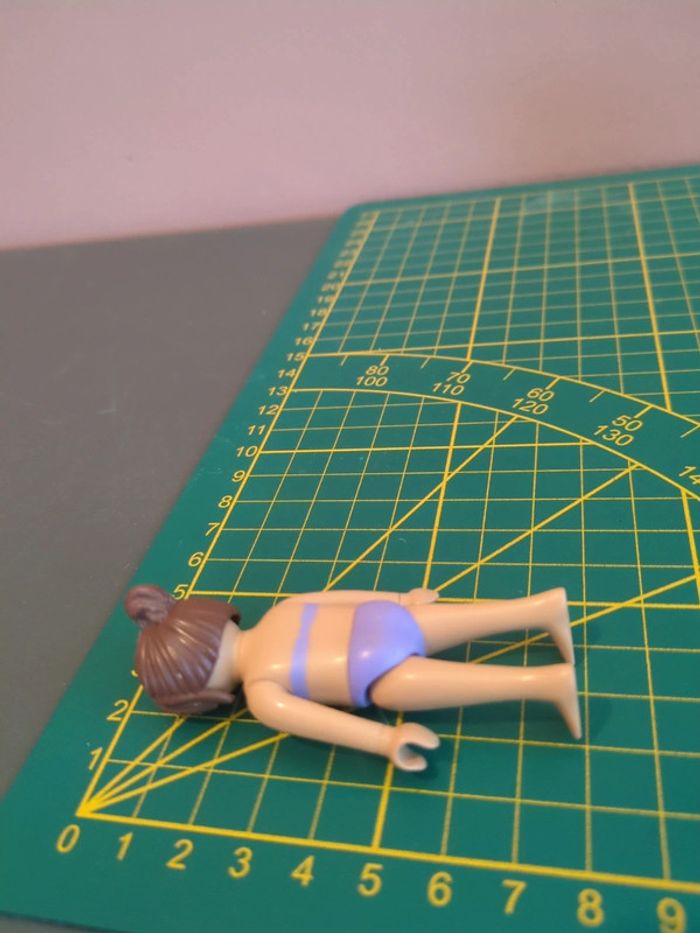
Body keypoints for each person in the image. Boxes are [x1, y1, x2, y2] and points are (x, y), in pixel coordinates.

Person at [126, 584, 580, 772]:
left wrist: (386, 740)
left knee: (469, 684)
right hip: (385, 621)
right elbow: (341, 598)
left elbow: (328, 724)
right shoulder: (281, 610)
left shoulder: (263, 695)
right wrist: (401, 600)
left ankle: (544, 683)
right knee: (478, 618)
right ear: (223, 617)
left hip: (378, 675)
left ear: (207, 695)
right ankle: (540, 609)